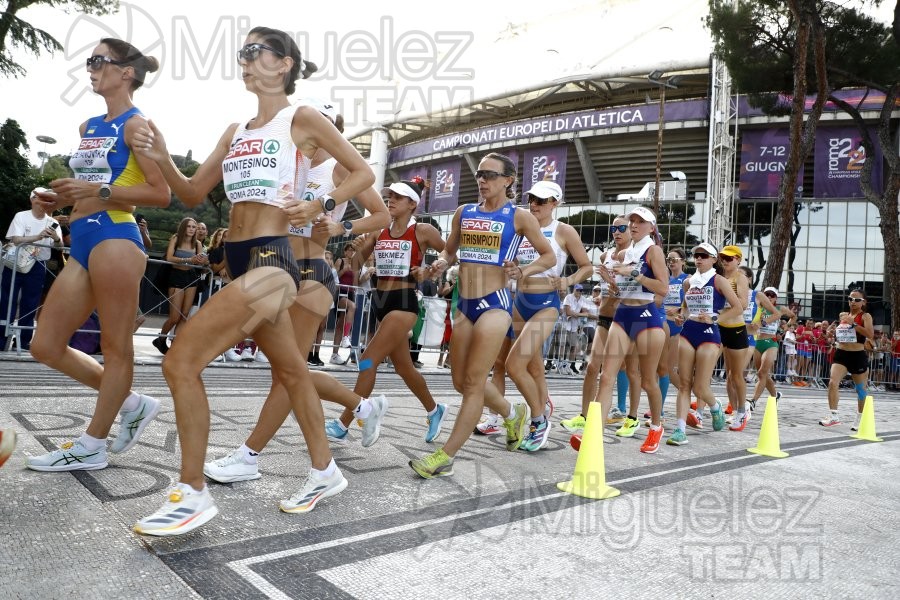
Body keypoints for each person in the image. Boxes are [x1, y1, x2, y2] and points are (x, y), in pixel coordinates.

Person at [130, 27, 375, 535]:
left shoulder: (301, 117)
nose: (244, 61)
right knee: (290, 372)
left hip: (273, 262)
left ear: (284, 64)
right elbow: (194, 192)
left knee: (180, 361)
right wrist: (162, 155)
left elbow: (362, 174)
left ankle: (191, 493)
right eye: (240, 53)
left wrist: (321, 205)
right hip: (238, 262)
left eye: (254, 51)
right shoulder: (236, 129)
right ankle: (325, 470)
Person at [204, 100, 390, 484]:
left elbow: (382, 215)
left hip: (312, 270)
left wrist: (341, 227)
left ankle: (249, 455)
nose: (315, 124)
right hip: (272, 265)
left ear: (333, 126)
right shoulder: (285, 153)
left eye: (326, 120)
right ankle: (361, 407)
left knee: (286, 374)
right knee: (288, 368)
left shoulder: (336, 165)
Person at [25, 38, 169, 473]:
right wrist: (59, 199)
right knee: (44, 345)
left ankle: (93, 444)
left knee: (115, 346)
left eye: (98, 61)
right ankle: (131, 403)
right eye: (89, 61)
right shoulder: (89, 126)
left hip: (116, 237)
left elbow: (160, 193)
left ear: (126, 72)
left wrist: (96, 191)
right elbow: (90, 184)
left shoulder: (136, 125)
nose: (90, 68)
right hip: (83, 235)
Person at [409, 152, 555, 477]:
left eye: (490, 175)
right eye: (480, 174)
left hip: (495, 304)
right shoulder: (465, 211)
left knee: (475, 382)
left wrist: (524, 269)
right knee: (460, 380)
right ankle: (510, 412)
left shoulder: (518, 216)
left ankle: (444, 456)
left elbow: (548, 255)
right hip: (465, 305)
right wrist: (442, 262)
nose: (483, 180)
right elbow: (450, 249)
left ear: (508, 181)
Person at [323, 178, 447, 442]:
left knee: (368, 359)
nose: (390, 200)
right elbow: (355, 267)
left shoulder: (423, 231)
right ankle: (435, 410)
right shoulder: (379, 231)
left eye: (398, 197)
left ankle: (345, 423)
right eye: (389, 195)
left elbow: (448, 253)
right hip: (381, 302)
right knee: (404, 369)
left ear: (412, 204)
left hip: (404, 302)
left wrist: (431, 270)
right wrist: (355, 252)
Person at [490, 180, 592, 451]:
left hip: (546, 305)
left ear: (555, 204)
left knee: (514, 366)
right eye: (532, 199)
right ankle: (541, 404)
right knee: (530, 366)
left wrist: (568, 281)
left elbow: (587, 267)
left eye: (542, 201)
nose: (534, 204)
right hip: (518, 302)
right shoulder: (521, 227)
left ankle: (538, 420)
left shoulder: (563, 230)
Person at [592, 207, 670, 454]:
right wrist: (610, 281)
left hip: (646, 317)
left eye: (640, 222)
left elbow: (663, 289)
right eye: (632, 221)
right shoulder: (626, 252)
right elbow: (622, 290)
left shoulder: (653, 250)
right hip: (623, 315)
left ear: (651, 228)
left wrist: (635, 273)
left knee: (648, 380)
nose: (634, 225)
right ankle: (593, 433)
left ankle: (656, 426)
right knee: (606, 377)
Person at [561, 216, 635, 434]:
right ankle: (585, 416)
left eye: (622, 228)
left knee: (624, 371)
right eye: (614, 228)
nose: (617, 232)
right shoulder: (605, 255)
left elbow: (633, 293)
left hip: (624, 319)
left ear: (631, 230)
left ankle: (629, 415)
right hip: (604, 317)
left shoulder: (634, 258)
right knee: (592, 368)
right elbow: (606, 289)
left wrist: (613, 286)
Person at [667, 243, 742, 445]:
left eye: (703, 255)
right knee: (684, 384)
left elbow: (738, 307)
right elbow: (685, 307)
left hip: (709, 334)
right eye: (696, 255)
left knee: (700, 388)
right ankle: (680, 430)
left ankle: (715, 405)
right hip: (689, 331)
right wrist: (680, 316)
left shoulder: (719, 281)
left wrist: (715, 318)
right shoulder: (689, 282)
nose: (698, 258)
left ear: (713, 259)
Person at [1, 187, 62, 350]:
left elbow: (60, 246)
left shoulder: (52, 222)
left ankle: (23, 340)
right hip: (16, 262)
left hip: (38, 264)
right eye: (42, 198)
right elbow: (15, 238)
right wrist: (38, 237)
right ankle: (1, 338)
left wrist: (55, 238)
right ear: (33, 199)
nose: (46, 202)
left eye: (49, 199)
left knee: (31, 303)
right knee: (7, 301)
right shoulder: (21, 216)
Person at [819, 289, 875, 430]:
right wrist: (833, 332)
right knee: (832, 382)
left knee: (861, 390)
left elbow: (870, 334)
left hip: (857, 355)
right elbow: (843, 334)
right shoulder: (843, 315)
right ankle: (833, 416)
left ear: (863, 302)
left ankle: (860, 417)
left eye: (857, 300)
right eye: (850, 299)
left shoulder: (865, 316)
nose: (853, 302)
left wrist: (853, 324)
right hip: (841, 354)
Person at [152, 217, 207, 354]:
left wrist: (203, 261)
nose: (191, 229)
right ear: (183, 227)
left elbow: (199, 264)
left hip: (191, 277)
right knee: (174, 317)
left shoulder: (198, 243)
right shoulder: (176, 239)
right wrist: (189, 259)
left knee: (185, 315)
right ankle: (161, 339)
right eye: (189, 226)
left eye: (194, 227)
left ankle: (176, 344)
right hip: (176, 276)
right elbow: (169, 258)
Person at [744, 285, 794, 427]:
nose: (769, 297)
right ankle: (775, 395)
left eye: (772, 295)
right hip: (757, 342)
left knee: (762, 373)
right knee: (763, 376)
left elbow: (793, 316)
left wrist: (784, 329)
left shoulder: (780, 309)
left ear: (776, 297)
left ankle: (753, 401)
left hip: (771, 342)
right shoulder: (758, 306)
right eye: (767, 294)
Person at [714, 246, 751, 418]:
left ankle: (742, 411)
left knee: (735, 375)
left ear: (738, 260)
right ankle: (732, 410)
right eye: (723, 258)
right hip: (718, 328)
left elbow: (742, 305)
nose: (725, 261)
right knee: (720, 374)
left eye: (729, 258)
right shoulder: (718, 278)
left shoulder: (740, 278)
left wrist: (727, 301)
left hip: (735, 329)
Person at [330, 243, 357, 363]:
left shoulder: (356, 264)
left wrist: (356, 271)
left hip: (350, 293)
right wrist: (343, 271)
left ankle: (334, 355)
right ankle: (346, 336)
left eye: (353, 250)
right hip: (340, 292)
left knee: (340, 324)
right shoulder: (340, 261)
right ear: (345, 252)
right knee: (352, 306)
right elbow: (333, 277)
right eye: (349, 250)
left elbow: (356, 284)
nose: (351, 252)